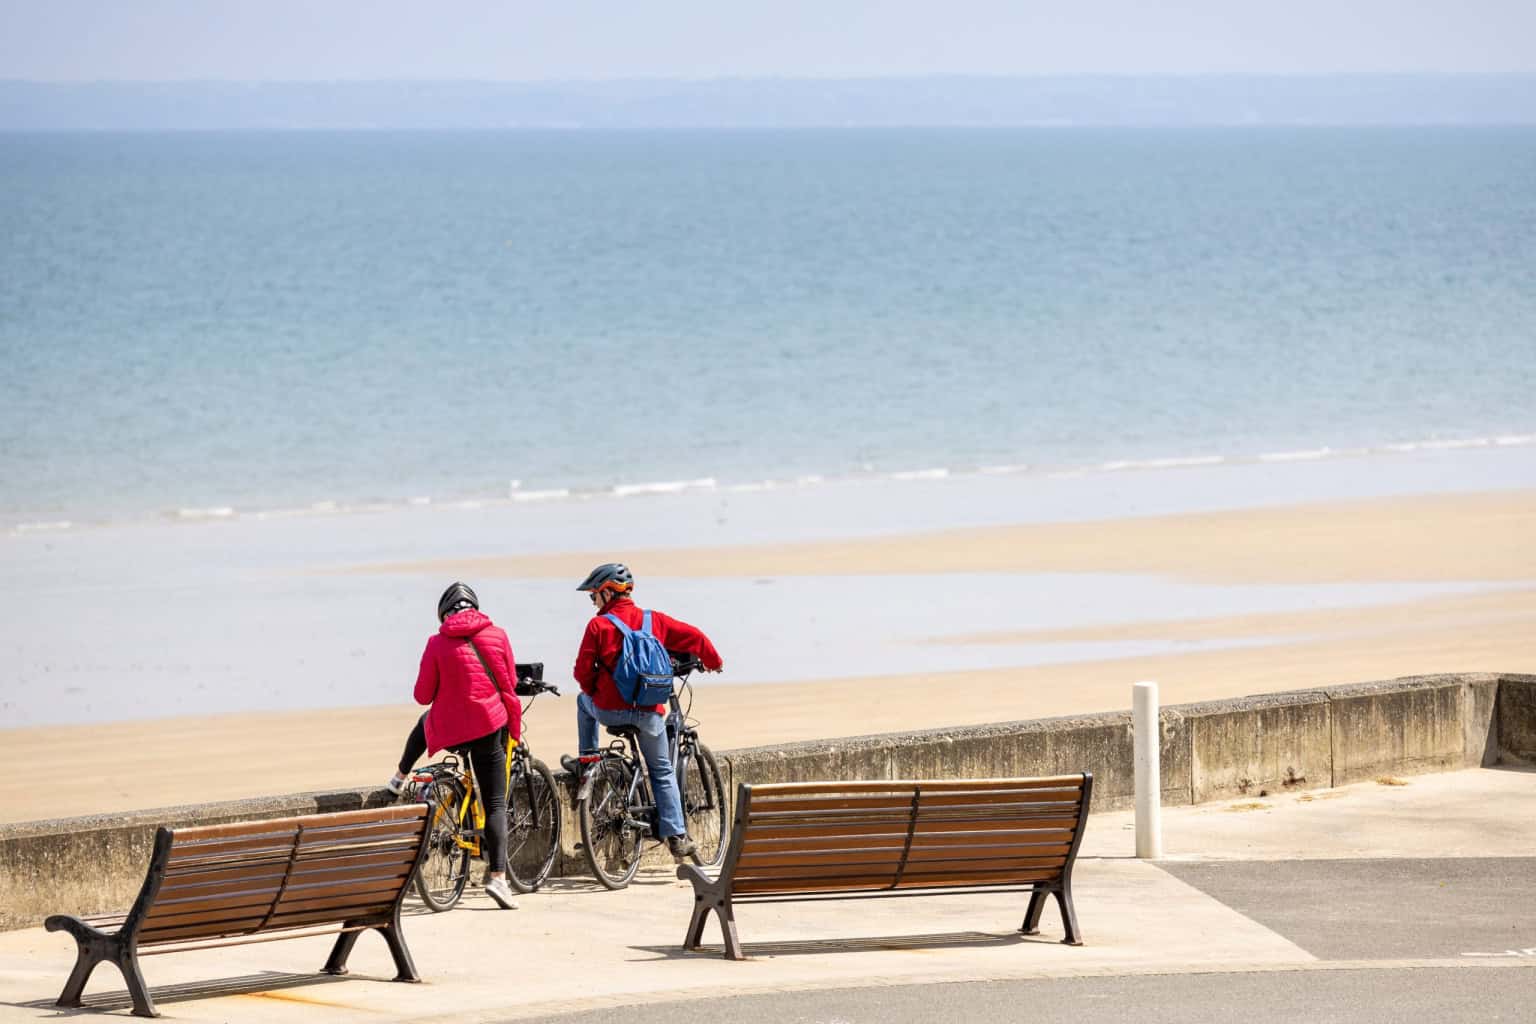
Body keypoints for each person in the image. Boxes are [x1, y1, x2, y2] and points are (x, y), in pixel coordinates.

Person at [561, 563, 723, 860]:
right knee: (661, 770)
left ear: (609, 592)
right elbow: (696, 637)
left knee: (583, 701)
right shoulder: (654, 621)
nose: (593, 602)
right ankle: (676, 835)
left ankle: (588, 759)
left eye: (594, 596)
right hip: (649, 714)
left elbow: (582, 673)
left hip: (609, 711)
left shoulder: (598, 626)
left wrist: (595, 689)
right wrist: (714, 662)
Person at [386, 582, 523, 910]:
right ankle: (499, 879)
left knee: (424, 720)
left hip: (451, 728)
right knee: (494, 803)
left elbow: (422, 695)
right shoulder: (498, 634)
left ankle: (398, 778)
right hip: (488, 726)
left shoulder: (436, 643)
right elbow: (510, 683)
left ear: (444, 615)